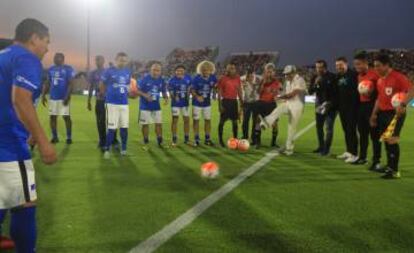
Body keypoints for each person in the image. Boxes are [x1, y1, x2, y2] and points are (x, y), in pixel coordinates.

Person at [0, 18, 57, 253]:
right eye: (46, 42)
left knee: (4, 197)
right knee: (25, 204)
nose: (47, 48)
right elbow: (21, 99)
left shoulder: (3, 54)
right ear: (34, 38)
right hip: (8, 146)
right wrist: (44, 142)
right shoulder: (27, 58)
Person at [370, 53, 414, 179]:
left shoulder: (398, 77)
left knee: (392, 140)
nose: (376, 69)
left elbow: (411, 90)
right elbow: (379, 98)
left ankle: (394, 170)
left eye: (378, 66)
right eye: (375, 66)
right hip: (382, 113)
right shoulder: (380, 80)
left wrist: (403, 104)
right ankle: (390, 165)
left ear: (386, 65)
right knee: (386, 140)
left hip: (395, 114)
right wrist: (374, 114)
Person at [259, 65, 307, 155]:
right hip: (289, 103)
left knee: (291, 127)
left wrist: (280, 97)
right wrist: (282, 98)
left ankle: (289, 149)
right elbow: (287, 94)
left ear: (293, 73)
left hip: (297, 105)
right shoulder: (288, 82)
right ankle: (266, 123)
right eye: (285, 74)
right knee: (279, 109)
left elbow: (292, 94)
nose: (285, 76)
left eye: (287, 74)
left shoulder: (300, 80)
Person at [100, 52, 132, 158]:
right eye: (120, 60)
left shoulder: (128, 72)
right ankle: (107, 149)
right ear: (116, 60)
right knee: (112, 128)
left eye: (124, 60)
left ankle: (124, 149)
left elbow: (127, 86)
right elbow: (102, 84)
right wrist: (105, 96)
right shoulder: (109, 71)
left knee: (124, 127)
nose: (122, 62)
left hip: (124, 103)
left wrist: (130, 93)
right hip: (112, 103)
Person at [353, 52, 382, 169]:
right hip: (362, 107)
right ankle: (362, 157)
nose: (357, 67)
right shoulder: (359, 76)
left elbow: (380, 93)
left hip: (373, 106)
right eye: (355, 65)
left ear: (366, 63)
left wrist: (371, 93)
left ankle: (376, 161)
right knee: (363, 134)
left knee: (374, 136)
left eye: (359, 64)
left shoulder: (375, 74)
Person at [41, 52, 76, 144]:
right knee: (52, 117)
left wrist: (67, 96)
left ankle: (69, 137)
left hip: (63, 97)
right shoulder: (51, 69)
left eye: (58, 58)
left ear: (62, 59)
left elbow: (71, 83)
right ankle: (54, 137)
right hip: (53, 98)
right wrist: (43, 95)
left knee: (66, 117)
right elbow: (47, 82)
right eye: (55, 57)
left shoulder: (68, 69)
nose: (55, 59)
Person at [308, 60, 337, 156]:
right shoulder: (314, 77)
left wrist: (330, 103)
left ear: (325, 67)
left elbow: (336, 92)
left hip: (330, 106)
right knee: (319, 127)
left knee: (328, 128)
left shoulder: (332, 77)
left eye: (320, 67)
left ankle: (326, 149)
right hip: (319, 105)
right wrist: (315, 84)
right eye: (317, 67)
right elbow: (310, 91)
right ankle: (321, 147)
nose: (318, 69)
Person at [137, 62, 168, 150]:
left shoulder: (161, 80)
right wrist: (145, 95)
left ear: (160, 71)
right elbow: (138, 90)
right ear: (151, 70)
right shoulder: (144, 79)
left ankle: (160, 140)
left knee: (158, 124)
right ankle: (146, 140)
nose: (156, 72)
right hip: (145, 106)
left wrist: (166, 98)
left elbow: (163, 91)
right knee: (145, 124)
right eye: (154, 70)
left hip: (156, 106)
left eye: (158, 70)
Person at [335, 57, 360, 163]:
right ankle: (349, 151)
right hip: (342, 108)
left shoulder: (353, 75)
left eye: (340, 65)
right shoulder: (338, 77)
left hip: (352, 108)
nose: (338, 67)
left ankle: (354, 154)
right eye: (337, 65)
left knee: (351, 131)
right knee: (346, 131)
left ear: (346, 64)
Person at [253, 63, 281, 149]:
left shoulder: (276, 81)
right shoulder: (262, 80)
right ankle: (258, 143)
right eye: (267, 71)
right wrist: (263, 84)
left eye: (271, 71)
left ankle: (273, 142)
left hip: (271, 104)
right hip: (261, 103)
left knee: (275, 124)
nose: (269, 73)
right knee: (258, 122)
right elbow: (258, 92)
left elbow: (276, 92)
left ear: (273, 72)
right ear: (265, 72)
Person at [191, 60, 218, 147]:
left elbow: (215, 86)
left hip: (207, 103)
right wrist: (197, 97)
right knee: (196, 121)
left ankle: (207, 139)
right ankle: (196, 139)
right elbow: (192, 90)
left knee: (207, 121)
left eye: (207, 70)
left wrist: (214, 93)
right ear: (200, 70)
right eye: (204, 70)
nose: (205, 71)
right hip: (196, 104)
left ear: (211, 70)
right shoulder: (196, 78)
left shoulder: (213, 77)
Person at [217, 62, 243, 147]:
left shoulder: (238, 78)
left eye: (232, 68)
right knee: (222, 122)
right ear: (227, 69)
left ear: (235, 70)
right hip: (225, 102)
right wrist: (219, 105)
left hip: (234, 102)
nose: (231, 70)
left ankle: (235, 140)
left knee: (235, 122)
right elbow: (219, 92)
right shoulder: (223, 78)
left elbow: (239, 90)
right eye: (229, 68)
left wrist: (241, 102)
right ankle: (220, 140)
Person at [168, 65, 191, 146]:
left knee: (187, 120)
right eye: (178, 70)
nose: (179, 72)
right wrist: (174, 97)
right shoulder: (171, 80)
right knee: (175, 120)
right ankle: (174, 139)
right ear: (175, 71)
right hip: (175, 104)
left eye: (181, 70)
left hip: (185, 103)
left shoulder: (188, 78)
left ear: (184, 71)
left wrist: (188, 96)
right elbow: (170, 92)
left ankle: (187, 139)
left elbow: (190, 88)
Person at [241, 68, 261, 142]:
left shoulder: (257, 82)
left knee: (255, 121)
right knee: (245, 121)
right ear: (247, 76)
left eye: (252, 76)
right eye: (250, 76)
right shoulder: (244, 83)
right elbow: (245, 94)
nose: (251, 77)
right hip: (247, 103)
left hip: (256, 103)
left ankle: (254, 138)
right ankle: (245, 136)